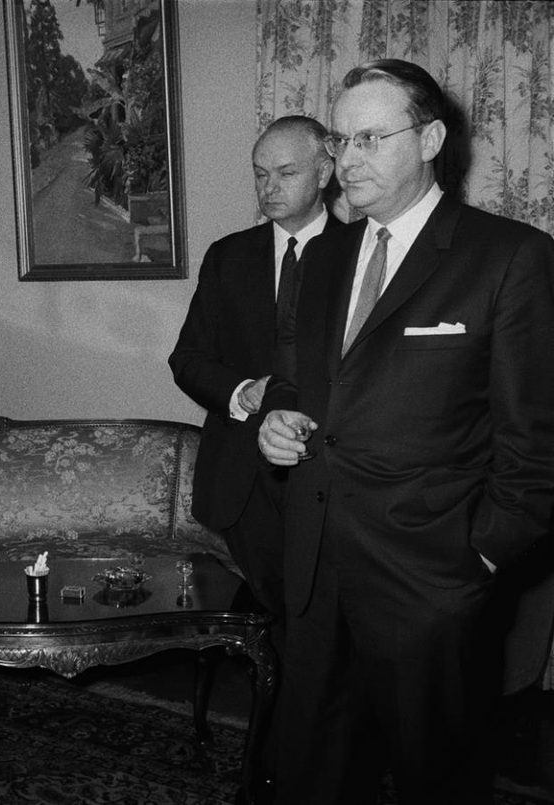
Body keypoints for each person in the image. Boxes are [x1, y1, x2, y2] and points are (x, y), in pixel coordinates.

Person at [258, 59, 554, 804]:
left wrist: (482, 556)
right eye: (340, 140)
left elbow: (536, 439)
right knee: (313, 777)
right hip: (315, 569)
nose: (347, 160)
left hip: (431, 582)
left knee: (437, 780)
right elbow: (300, 381)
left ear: (429, 140)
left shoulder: (509, 257)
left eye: (370, 138)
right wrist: (275, 420)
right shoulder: (324, 254)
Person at [170, 115, 336, 625]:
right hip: (243, 481)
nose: (269, 187)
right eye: (260, 174)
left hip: (330, 472)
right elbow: (188, 359)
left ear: (324, 173)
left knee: (327, 622)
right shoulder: (229, 256)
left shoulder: (361, 253)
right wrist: (241, 391)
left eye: (286, 173)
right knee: (272, 619)